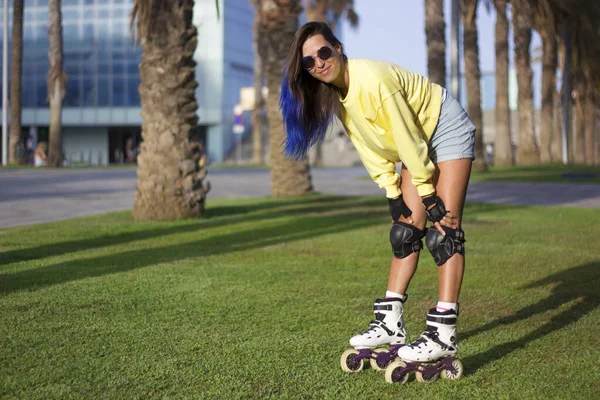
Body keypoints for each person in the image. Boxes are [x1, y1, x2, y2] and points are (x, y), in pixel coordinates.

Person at [280, 22, 475, 365]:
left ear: (338, 48)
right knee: (405, 232)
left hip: (443, 124)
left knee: (444, 231)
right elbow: (370, 146)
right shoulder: (339, 97)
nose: (319, 63)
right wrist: (391, 191)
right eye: (309, 62)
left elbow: (405, 137)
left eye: (323, 52)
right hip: (415, 141)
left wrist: (428, 196)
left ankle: (443, 333)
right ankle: (390, 322)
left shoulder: (371, 80)